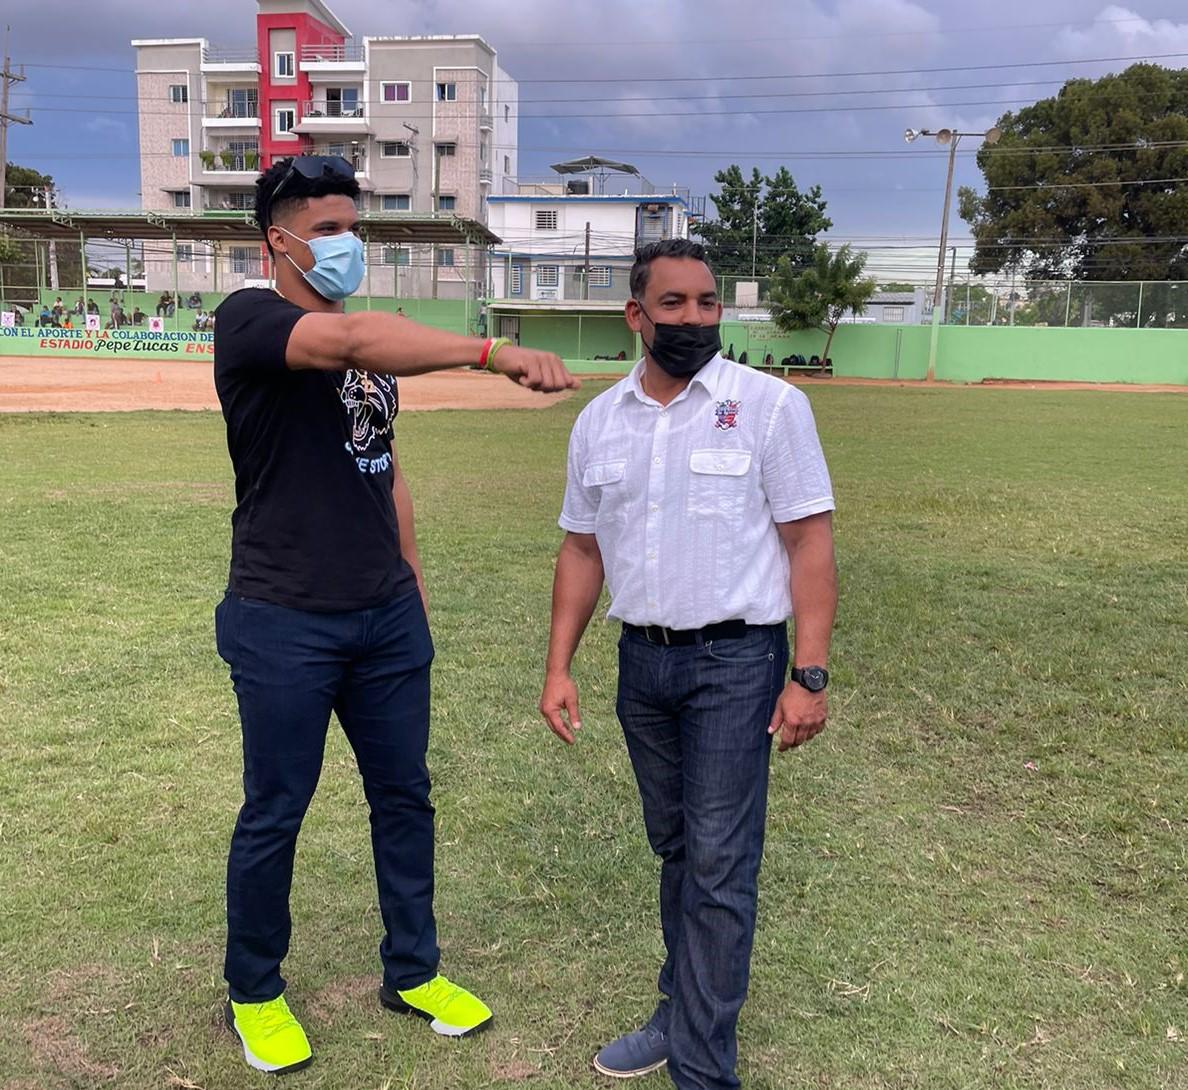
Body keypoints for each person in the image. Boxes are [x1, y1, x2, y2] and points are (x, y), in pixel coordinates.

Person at [211, 154, 579, 1077]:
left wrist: (411, 579)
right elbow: (350, 343)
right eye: (328, 228)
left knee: (404, 799)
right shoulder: (252, 321)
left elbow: (385, 465)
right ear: (279, 239)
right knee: (276, 811)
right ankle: (254, 990)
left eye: (352, 227)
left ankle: (412, 972)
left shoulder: (369, 355)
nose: (346, 243)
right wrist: (492, 351)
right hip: (282, 615)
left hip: (383, 619)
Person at [539, 239, 837, 1090]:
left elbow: (809, 542)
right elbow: (582, 549)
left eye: (708, 303)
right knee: (678, 850)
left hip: (736, 665)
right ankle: (680, 1008)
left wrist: (807, 674)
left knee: (718, 865)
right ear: (637, 315)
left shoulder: (771, 407)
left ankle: (703, 1069)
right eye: (673, 304)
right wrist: (560, 666)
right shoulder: (600, 420)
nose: (695, 319)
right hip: (646, 668)